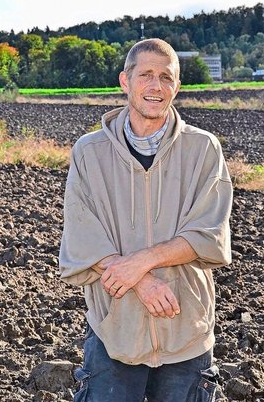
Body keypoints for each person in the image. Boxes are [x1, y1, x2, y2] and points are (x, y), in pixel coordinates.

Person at [58, 38, 233, 402]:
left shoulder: (203, 149)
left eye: (166, 78)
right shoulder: (89, 153)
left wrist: (143, 262)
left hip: (185, 326)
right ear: (125, 80)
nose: (156, 86)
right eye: (146, 75)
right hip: (115, 328)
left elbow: (209, 234)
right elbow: (82, 236)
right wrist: (143, 283)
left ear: (178, 87)